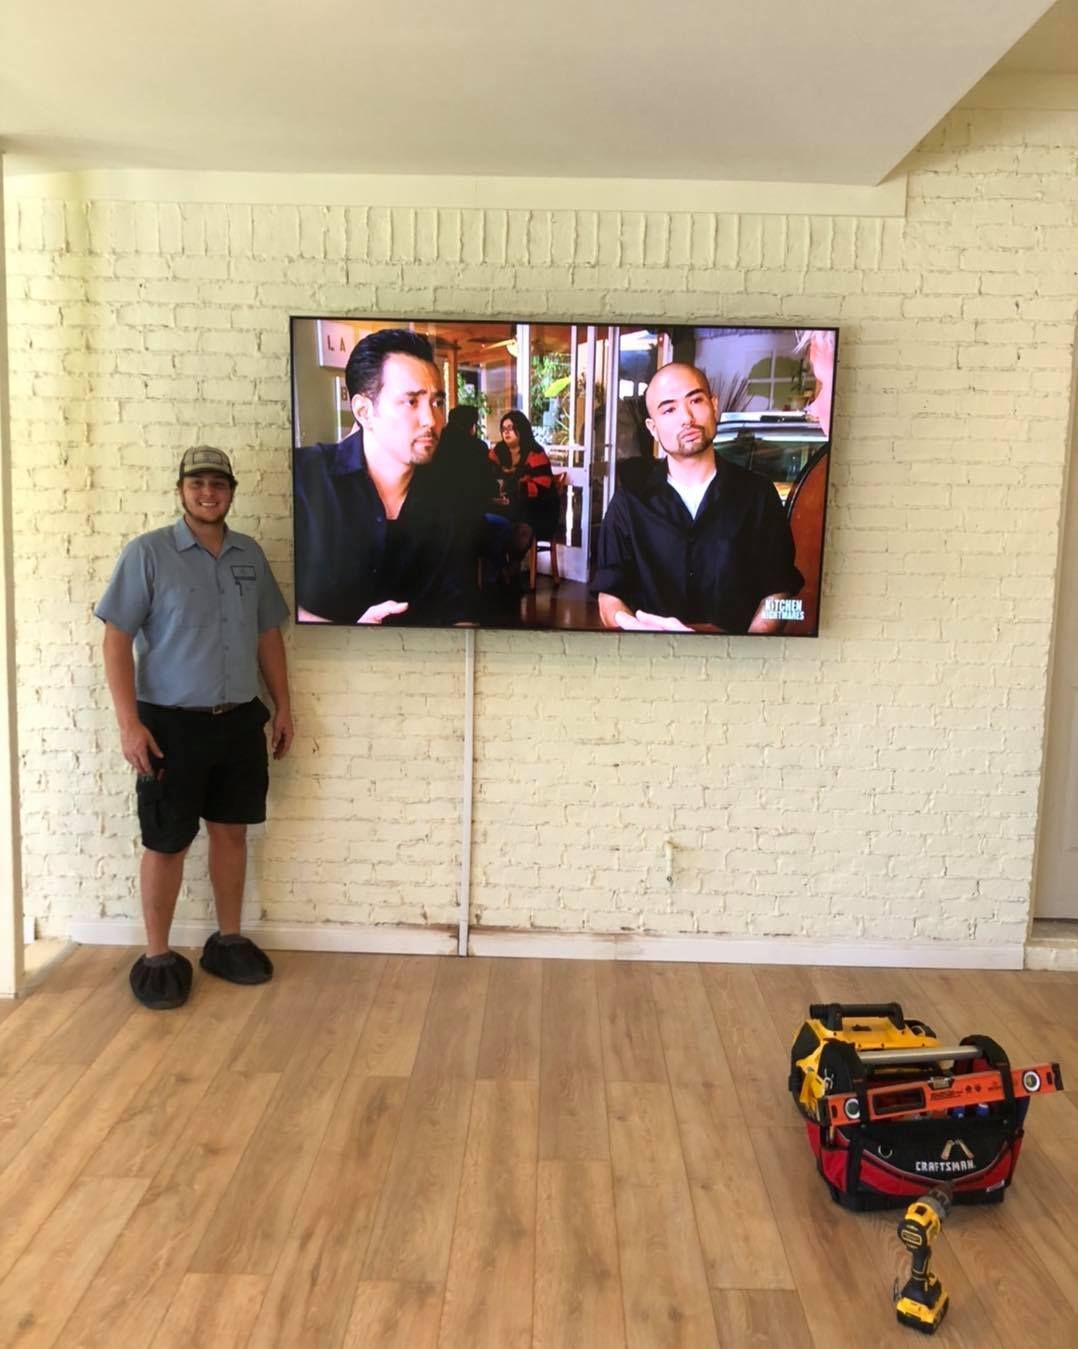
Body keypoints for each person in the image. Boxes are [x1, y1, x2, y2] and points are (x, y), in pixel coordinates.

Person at [96, 446, 294, 1010]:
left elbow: (267, 635)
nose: (208, 493)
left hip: (236, 722)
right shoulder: (148, 554)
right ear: (181, 489)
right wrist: (129, 723)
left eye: (218, 484)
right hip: (168, 726)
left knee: (232, 831)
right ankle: (157, 955)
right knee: (167, 841)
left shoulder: (249, 555)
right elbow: (115, 639)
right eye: (197, 483)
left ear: (232, 490)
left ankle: (226, 939)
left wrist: (283, 706)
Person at [592, 362, 803, 634]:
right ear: (652, 428)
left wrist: (750, 647)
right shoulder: (629, 501)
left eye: (696, 400)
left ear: (714, 405)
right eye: (669, 409)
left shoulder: (759, 495)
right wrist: (636, 629)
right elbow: (608, 595)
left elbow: (783, 595)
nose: (687, 418)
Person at [294, 329, 477, 625]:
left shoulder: (449, 495)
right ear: (364, 411)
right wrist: (352, 637)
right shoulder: (304, 479)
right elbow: (273, 606)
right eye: (412, 402)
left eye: (437, 402)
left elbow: (460, 611)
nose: (432, 420)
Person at [489, 409, 560, 561]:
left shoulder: (535, 452)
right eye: (503, 429)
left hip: (539, 509)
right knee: (490, 520)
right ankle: (499, 568)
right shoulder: (498, 451)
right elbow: (489, 477)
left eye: (511, 428)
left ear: (521, 429)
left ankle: (510, 569)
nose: (506, 432)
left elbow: (541, 489)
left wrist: (511, 490)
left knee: (520, 526)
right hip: (509, 506)